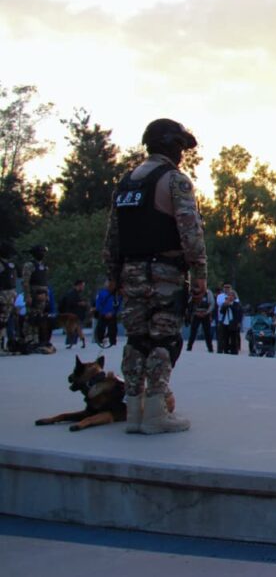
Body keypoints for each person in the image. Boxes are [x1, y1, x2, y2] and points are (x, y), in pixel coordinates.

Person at [103, 118, 206, 434]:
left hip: (131, 274)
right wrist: (200, 274)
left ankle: (134, 410)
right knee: (164, 340)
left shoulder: (126, 183)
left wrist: (113, 276)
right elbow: (190, 231)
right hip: (164, 274)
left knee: (136, 341)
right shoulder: (175, 181)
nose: (183, 156)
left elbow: (113, 236)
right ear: (172, 146)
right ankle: (156, 412)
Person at [22, 244, 54, 352]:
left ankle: (38, 340)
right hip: (34, 295)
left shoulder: (44, 266)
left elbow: (45, 282)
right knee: (31, 318)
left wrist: (47, 297)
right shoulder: (29, 265)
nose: (43, 254)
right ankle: (29, 340)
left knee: (40, 319)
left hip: (43, 295)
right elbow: (25, 282)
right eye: (41, 251)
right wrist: (28, 296)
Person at [59, 280, 90, 349]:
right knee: (72, 330)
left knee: (76, 329)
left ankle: (73, 343)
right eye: (82, 286)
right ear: (78, 286)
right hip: (73, 316)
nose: (83, 288)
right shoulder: (72, 294)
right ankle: (72, 343)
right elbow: (69, 304)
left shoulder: (74, 294)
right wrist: (80, 304)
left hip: (75, 316)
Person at [185, 286, 216, 352]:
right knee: (193, 332)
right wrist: (195, 312)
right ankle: (189, 347)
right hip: (196, 314)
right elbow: (189, 303)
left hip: (205, 314)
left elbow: (212, 303)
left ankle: (210, 348)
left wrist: (207, 312)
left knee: (207, 332)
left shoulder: (208, 292)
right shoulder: (193, 293)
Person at [0, 241, 18, 353]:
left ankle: (3, 345)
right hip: (2, 295)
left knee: (4, 322)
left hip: (9, 295)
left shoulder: (9, 265)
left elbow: (13, 281)